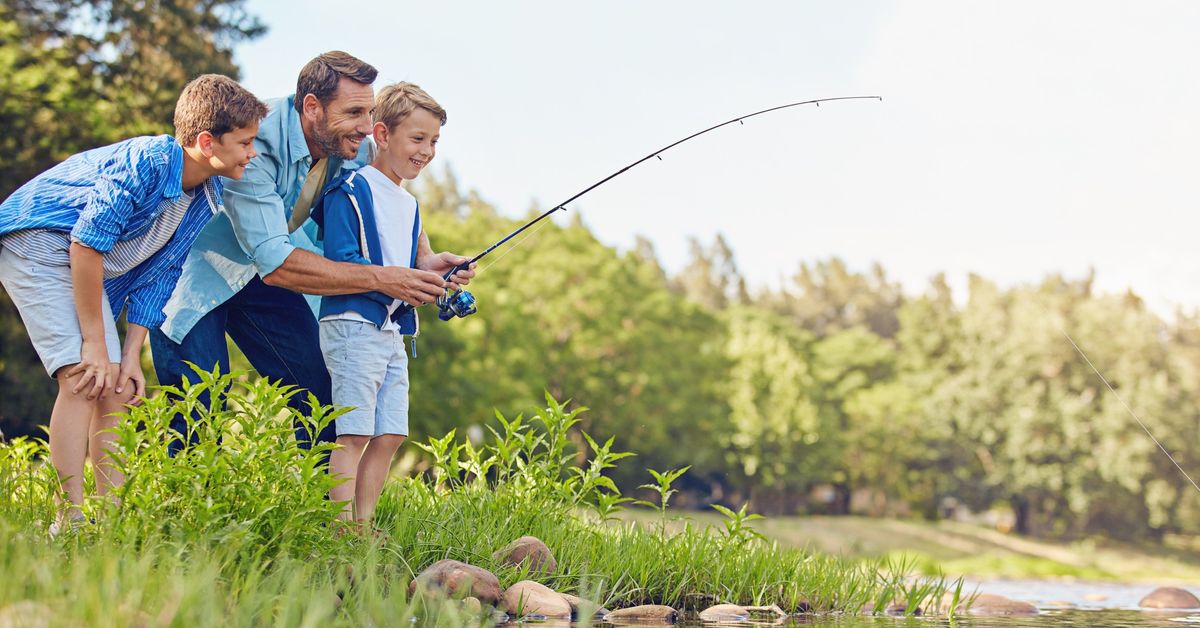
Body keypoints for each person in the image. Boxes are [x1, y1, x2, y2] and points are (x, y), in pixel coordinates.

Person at [150, 51, 474, 455]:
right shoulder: (255, 142)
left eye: (369, 112)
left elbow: (382, 187)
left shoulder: (346, 142)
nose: (366, 127)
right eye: (354, 112)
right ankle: (177, 514)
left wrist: (421, 257)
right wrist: (383, 277)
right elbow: (277, 263)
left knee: (321, 395)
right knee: (200, 405)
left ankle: (325, 516)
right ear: (311, 107)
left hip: (261, 274)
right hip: (193, 275)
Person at [0, 74, 266, 534]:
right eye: (244, 142)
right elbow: (86, 244)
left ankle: (111, 520)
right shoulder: (146, 162)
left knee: (119, 387)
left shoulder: (205, 195)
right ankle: (69, 519)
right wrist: (94, 345)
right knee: (85, 377)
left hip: (84, 263)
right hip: (40, 242)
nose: (252, 152)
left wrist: (129, 357)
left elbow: (159, 277)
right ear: (207, 141)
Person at [312, 82, 457, 524]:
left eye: (433, 141)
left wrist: (437, 269)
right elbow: (345, 262)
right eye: (417, 139)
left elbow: (413, 262)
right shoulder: (349, 190)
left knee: (391, 433)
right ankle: (336, 532)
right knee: (353, 434)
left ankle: (364, 526)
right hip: (353, 326)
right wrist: (400, 284)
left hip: (393, 332)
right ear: (382, 133)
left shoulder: (410, 204)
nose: (427, 150)